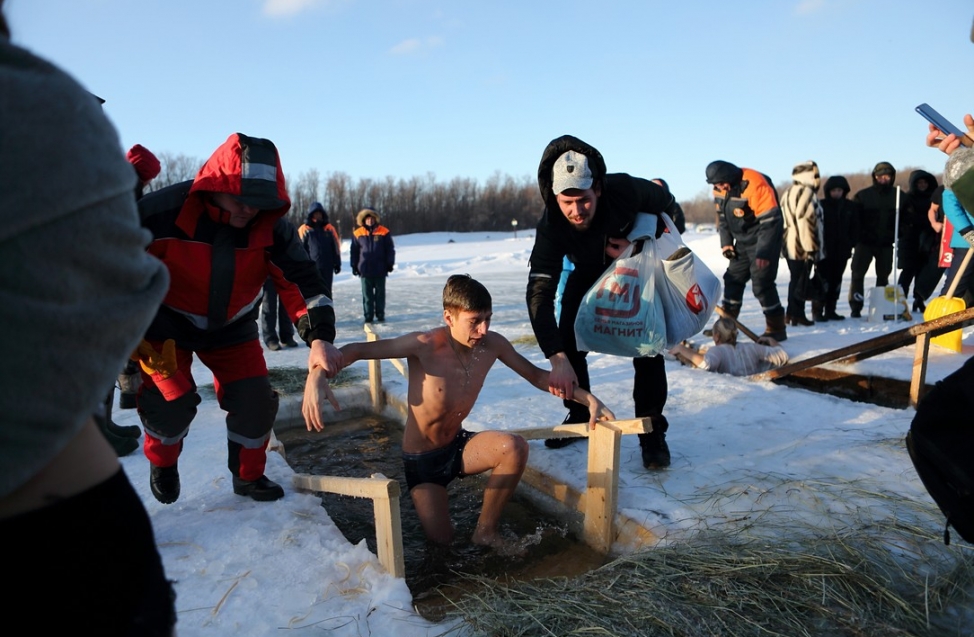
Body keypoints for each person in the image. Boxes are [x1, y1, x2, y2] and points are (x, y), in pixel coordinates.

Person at [0, 13, 177, 633]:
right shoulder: (39, 114)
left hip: (63, 497)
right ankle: (112, 423)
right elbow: (109, 285)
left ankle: (112, 424)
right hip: (57, 511)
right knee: (102, 380)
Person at [325, 275, 614, 550]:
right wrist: (317, 378)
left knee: (513, 447)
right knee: (443, 544)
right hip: (423, 462)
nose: (483, 330)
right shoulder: (423, 345)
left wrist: (587, 399)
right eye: (474, 322)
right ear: (449, 317)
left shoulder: (492, 344)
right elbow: (355, 350)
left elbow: (538, 377)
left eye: (488, 319)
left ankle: (485, 532)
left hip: (458, 445)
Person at [136, 132, 342, 505]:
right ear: (214, 186)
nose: (249, 210)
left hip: (233, 327)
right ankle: (162, 463)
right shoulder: (157, 214)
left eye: (259, 203)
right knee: (170, 404)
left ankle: (248, 477)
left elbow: (302, 282)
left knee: (255, 402)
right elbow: (109, 271)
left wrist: (319, 337)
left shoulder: (271, 228)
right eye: (241, 200)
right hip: (164, 328)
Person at [526, 136, 677, 469]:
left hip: (634, 269)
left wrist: (640, 242)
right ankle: (580, 412)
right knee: (567, 334)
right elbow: (538, 294)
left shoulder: (626, 190)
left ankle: (651, 430)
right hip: (588, 272)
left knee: (648, 344)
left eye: (584, 201)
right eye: (568, 203)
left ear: (597, 189)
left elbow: (670, 207)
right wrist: (556, 357)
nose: (577, 211)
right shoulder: (551, 226)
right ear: (555, 197)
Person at [705, 160, 787, 341]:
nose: (719, 188)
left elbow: (771, 222)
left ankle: (776, 328)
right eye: (716, 185)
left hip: (764, 240)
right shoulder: (720, 188)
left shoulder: (755, 183)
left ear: (728, 177)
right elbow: (723, 218)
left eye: (720, 183)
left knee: (762, 283)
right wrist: (726, 243)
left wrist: (764, 252)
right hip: (742, 242)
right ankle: (726, 328)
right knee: (733, 279)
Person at [848, 162, 913, 318]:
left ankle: (880, 306)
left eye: (887, 176)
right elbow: (854, 220)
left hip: (885, 243)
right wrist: (859, 236)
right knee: (857, 274)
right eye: (880, 176)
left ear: (892, 177)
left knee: (883, 275)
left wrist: (899, 233)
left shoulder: (899, 197)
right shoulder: (863, 196)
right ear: (875, 177)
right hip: (865, 243)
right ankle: (855, 307)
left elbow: (908, 219)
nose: (883, 179)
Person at [780, 160, 824, 326]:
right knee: (800, 280)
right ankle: (797, 313)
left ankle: (792, 313)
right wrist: (811, 248)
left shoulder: (789, 192)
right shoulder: (806, 193)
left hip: (790, 245)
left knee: (796, 280)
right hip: (801, 246)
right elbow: (807, 222)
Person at [668, 318, 789, 377]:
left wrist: (681, 349)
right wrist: (771, 340)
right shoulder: (752, 347)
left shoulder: (718, 351)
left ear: (716, 336)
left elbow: (706, 364)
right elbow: (782, 355)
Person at [814, 175, 858, 321]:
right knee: (823, 282)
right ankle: (818, 311)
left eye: (839, 190)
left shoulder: (850, 206)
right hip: (824, 251)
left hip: (842, 251)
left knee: (836, 282)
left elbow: (855, 227)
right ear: (828, 191)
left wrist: (852, 242)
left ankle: (831, 310)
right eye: (833, 190)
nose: (837, 193)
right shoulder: (821, 205)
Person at [898, 170, 939, 312]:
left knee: (922, 273)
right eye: (919, 183)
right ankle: (900, 302)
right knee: (907, 272)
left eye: (924, 183)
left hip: (928, 239)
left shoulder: (933, 198)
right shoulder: (907, 199)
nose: (922, 185)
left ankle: (918, 299)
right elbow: (902, 218)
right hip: (910, 240)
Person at [350, 206, 395, 323]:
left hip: (380, 269)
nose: (370, 221)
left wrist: (390, 263)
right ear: (364, 220)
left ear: (375, 219)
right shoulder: (357, 233)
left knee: (380, 295)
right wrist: (354, 265)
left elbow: (390, 249)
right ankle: (368, 316)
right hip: (365, 270)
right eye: (368, 219)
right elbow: (354, 251)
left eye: (372, 218)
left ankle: (380, 315)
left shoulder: (384, 232)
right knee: (367, 296)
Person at [937, 188, 974, 306]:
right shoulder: (963, 173)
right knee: (954, 290)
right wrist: (967, 230)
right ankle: (943, 322)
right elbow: (950, 201)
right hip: (968, 244)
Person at [299, 201, 342, 299]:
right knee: (313, 292)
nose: (318, 215)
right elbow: (300, 249)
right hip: (312, 267)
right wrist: (301, 266)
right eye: (315, 213)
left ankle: (328, 312)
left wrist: (337, 262)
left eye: (319, 213)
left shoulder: (329, 229)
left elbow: (335, 246)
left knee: (326, 291)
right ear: (311, 215)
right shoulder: (305, 230)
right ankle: (314, 313)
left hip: (327, 266)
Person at [260, 276, 299, 350]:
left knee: (286, 305)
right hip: (268, 273)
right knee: (269, 305)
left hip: (285, 272)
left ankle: (287, 336)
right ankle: (270, 339)